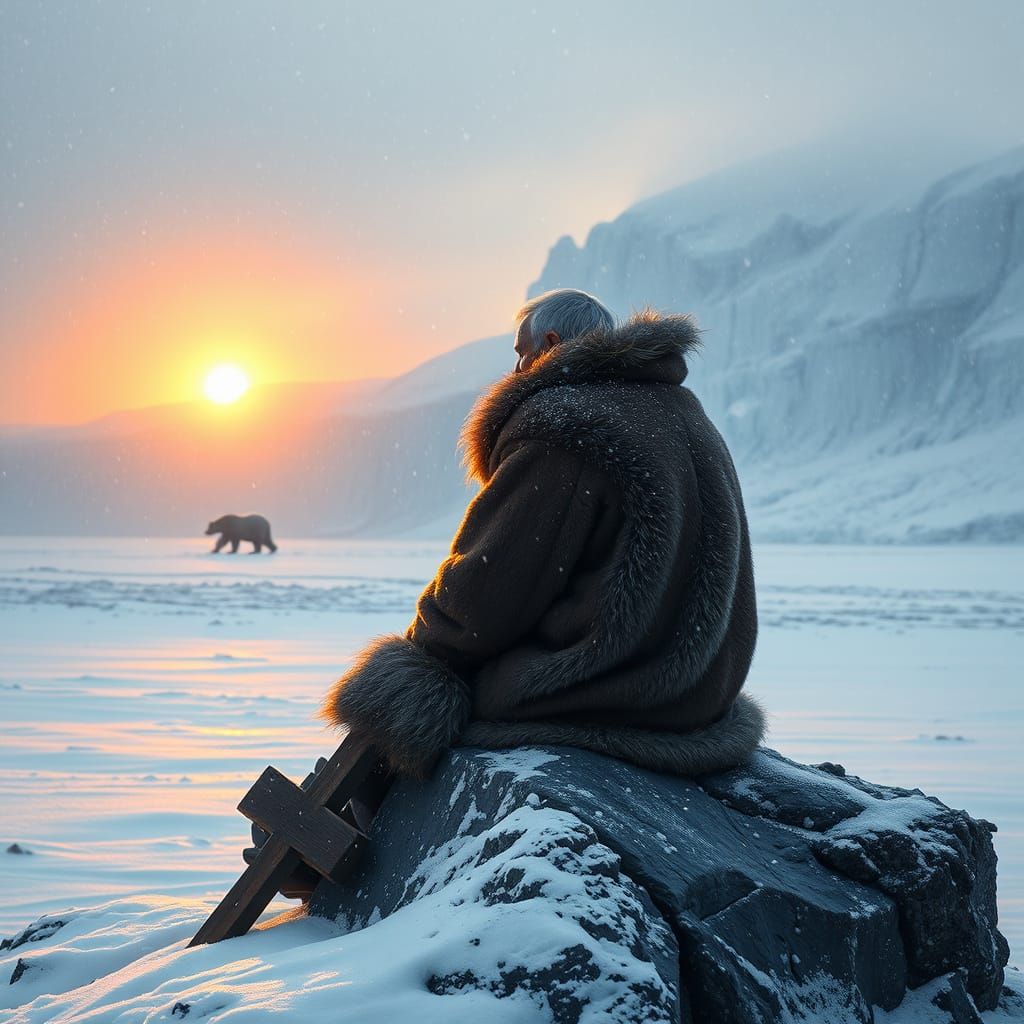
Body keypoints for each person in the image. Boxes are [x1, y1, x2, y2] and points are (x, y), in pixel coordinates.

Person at [322, 288, 764, 779]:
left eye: (521, 354)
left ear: (550, 345)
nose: (515, 372)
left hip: (615, 688)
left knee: (434, 694)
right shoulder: (683, 411)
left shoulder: (564, 424)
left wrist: (423, 654)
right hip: (698, 690)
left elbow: (489, 588)